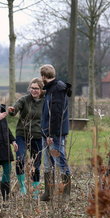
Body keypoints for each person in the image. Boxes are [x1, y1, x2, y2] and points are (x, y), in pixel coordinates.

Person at [39, 64, 72, 201]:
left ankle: (66, 193)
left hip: (54, 134)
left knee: (60, 161)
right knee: (47, 163)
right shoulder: (51, 89)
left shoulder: (57, 90)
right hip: (46, 133)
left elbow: (56, 115)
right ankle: (48, 193)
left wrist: (51, 135)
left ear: (44, 76)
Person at [8, 78, 44, 197]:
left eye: (36, 88)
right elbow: (15, 108)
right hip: (22, 134)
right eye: (32, 88)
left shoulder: (45, 101)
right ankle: (22, 186)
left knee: (36, 164)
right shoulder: (24, 100)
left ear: (41, 89)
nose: (34, 90)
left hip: (38, 136)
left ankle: (35, 190)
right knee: (20, 159)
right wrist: (12, 110)